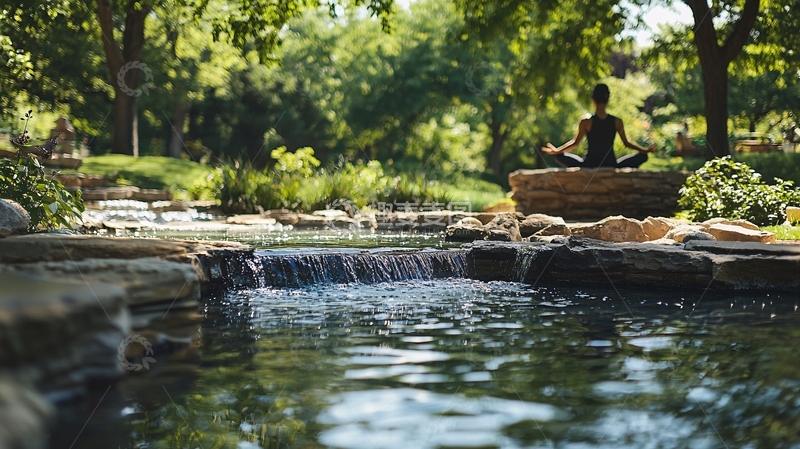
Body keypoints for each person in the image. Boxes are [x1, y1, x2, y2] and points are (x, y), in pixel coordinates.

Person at [543, 84, 655, 168]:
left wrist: (557, 151)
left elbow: (575, 143)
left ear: (593, 100)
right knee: (643, 156)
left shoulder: (586, 121)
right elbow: (626, 143)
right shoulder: (617, 121)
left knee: (559, 156)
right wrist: (644, 150)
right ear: (608, 100)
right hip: (610, 164)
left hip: (589, 164)